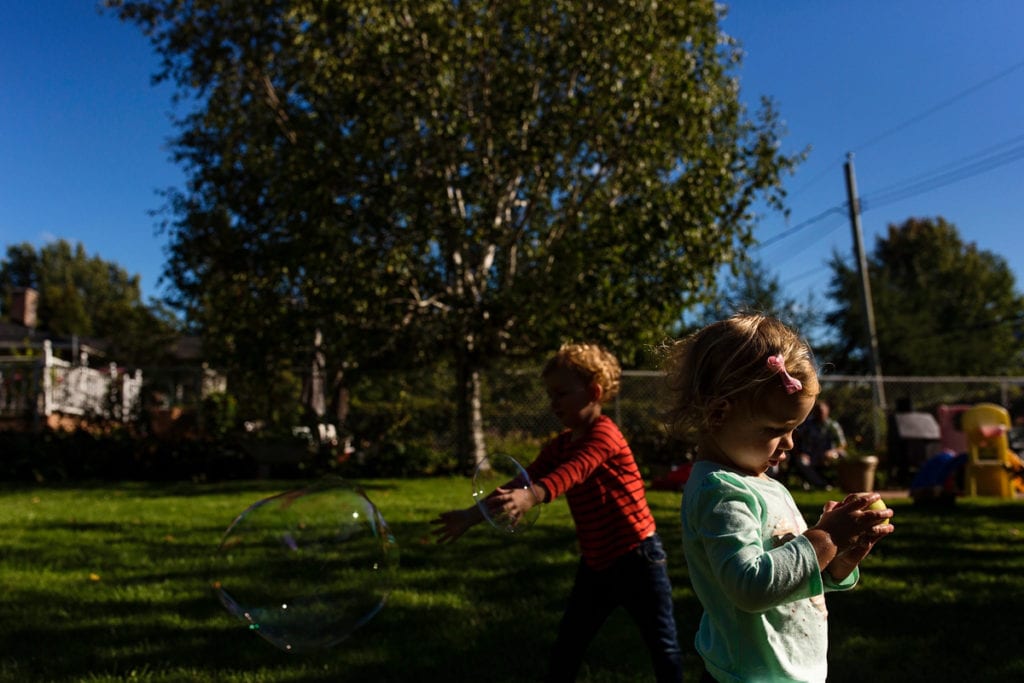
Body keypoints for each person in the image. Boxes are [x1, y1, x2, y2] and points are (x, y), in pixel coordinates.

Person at [431, 343, 684, 683]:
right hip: (596, 562)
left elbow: (573, 472)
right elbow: (522, 479)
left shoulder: (605, 435)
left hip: (638, 558)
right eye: (550, 394)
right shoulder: (560, 445)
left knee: (663, 647)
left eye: (561, 393)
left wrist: (532, 497)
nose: (552, 403)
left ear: (593, 392)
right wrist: (471, 515)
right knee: (568, 646)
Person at [663, 314, 894, 683]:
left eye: (793, 430)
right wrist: (825, 537)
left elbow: (793, 575)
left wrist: (841, 556)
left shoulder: (761, 481)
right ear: (719, 413)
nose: (788, 444)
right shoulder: (720, 491)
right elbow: (750, 586)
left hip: (784, 670)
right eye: (776, 430)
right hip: (750, 675)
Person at [790, 400, 847, 490]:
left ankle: (843, 483)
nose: (820, 414)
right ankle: (821, 484)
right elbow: (795, 437)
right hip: (810, 456)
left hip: (828, 455)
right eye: (818, 411)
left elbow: (842, 444)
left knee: (843, 455)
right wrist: (798, 453)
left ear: (827, 412)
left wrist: (832, 452)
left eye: (822, 412)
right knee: (802, 461)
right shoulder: (807, 425)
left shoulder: (833, 425)